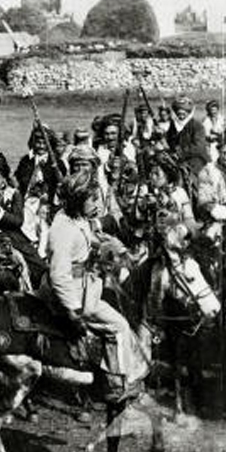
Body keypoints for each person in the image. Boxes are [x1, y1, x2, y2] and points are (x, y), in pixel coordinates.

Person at [39, 169, 144, 401]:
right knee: (119, 326)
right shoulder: (62, 230)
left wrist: (112, 247)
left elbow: (88, 239)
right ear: (78, 200)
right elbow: (59, 275)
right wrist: (73, 310)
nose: (97, 204)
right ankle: (117, 382)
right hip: (72, 293)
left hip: (84, 285)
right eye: (92, 199)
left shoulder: (75, 219)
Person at [0, 156, 45, 285]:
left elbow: (18, 221)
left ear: (4, 179)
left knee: (39, 266)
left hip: (13, 239)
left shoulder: (13, 194)